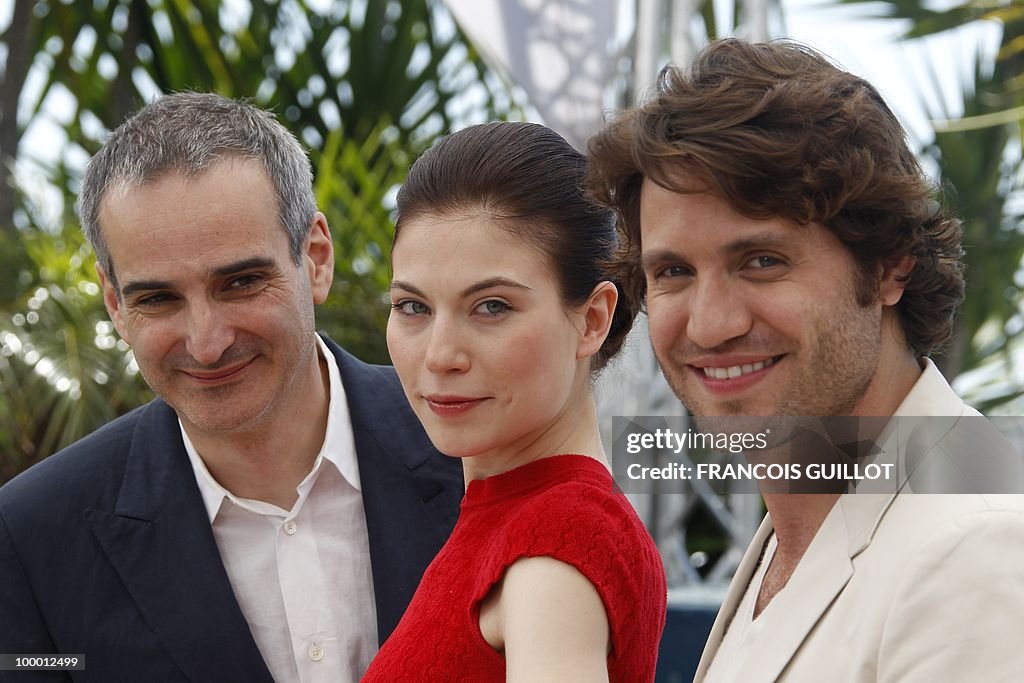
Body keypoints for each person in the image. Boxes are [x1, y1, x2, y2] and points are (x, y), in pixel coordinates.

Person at [586, 38, 1024, 682]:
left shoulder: (974, 548)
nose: (711, 324)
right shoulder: (801, 525)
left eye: (761, 261)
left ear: (888, 267)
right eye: (674, 271)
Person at [0, 92, 463, 682]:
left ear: (316, 259)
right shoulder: (33, 537)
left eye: (241, 283)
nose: (207, 341)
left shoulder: (484, 448)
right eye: (158, 298)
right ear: (115, 303)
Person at [360, 121, 667, 682]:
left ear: (592, 320)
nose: (440, 355)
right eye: (412, 307)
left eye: (492, 307)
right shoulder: (517, 518)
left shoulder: (554, 540)